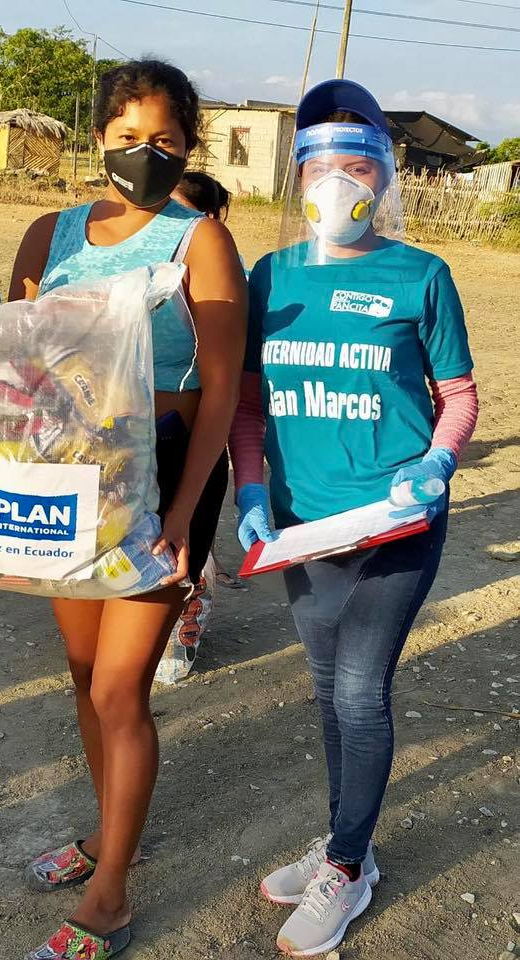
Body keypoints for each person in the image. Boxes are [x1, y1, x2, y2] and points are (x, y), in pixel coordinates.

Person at [229, 79, 478, 956]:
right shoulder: (272, 278)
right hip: (303, 528)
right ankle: (349, 842)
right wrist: (250, 492)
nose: (338, 182)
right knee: (328, 687)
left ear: (384, 176)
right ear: (297, 176)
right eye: (320, 167)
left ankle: (345, 865)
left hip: (396, 525)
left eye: (358, 166)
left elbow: (458, 396)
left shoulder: (421, 275)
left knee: (360, 692)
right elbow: (248, 407)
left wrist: (437, 464)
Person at [9, 60, 247, 958]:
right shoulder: (51, 233)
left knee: (119, 688)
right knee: (82, 674)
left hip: (164, 478)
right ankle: (114, 833)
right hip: (71, 479)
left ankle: (108, 896)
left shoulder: (201, 241)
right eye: (127, 137)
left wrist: (185, 516)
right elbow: (20, 364)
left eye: (165, 140)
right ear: (98, 138)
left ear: (188, 146)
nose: (145, 153)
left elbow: (221, 391)